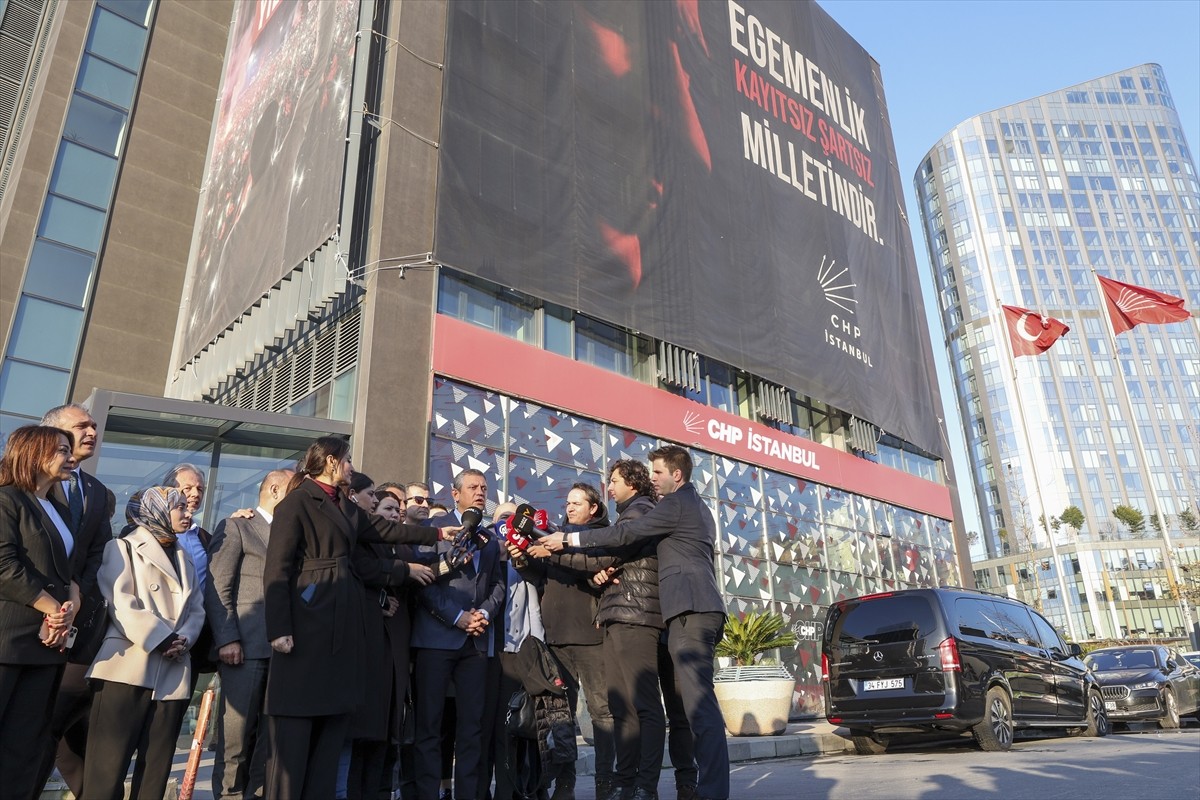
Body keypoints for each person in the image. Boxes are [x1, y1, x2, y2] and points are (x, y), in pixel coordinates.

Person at [262, 437, 450, 800]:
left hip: (341, 627)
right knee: (295, 738)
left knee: (330, 736)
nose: (351, 467)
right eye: (347, 461)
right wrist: (279, 628)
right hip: (307, 623)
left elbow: (388, 530)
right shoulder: (297, 502)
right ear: (331, 462)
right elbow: (277, 570)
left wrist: (438, 532)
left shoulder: (346, 508)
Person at [541, 446, 729, 800]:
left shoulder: (674, 504)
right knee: (690, 708)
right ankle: (696, 787)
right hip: (689, 611)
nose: (652, 480)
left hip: (689, 609)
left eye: (657, 473)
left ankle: (708, 791)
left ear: (677, 474)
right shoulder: (697, 508)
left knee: (697, 708)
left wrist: (567, 538)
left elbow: (625, 535)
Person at [83, 487, 207, 800]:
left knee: (156, 771)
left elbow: (197, 608)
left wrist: (185, 639)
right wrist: (161, 639)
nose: (188, 513)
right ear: (157, 510)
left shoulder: (185, 557)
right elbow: (120, 601)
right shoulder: (122, 547)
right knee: (106, 771)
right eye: (179, 507)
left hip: (172, 670)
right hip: (126, 668)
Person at [0, 425, 92, 800]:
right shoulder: (7, 499)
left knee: (25, 746)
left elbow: (69, 570)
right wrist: (53, 608)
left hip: (47, 645)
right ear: (33, 453)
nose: (70, 457)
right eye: (60, 449)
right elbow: (4, 564)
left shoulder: (58, 508)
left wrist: (71, 604)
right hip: (8, 642)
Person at [33, 404, 116, 797]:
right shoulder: (23, 482)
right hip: (24, 616)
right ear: (54, 435)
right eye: (81, 425)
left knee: (55, 725)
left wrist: (76, 593)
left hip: (75, 622)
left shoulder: (99, 493)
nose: (91, 431)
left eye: (94, 426)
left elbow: (97, 551)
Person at [410, 468, 504, 800]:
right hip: (436, 639)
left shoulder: (490, 538)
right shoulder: (434, 530)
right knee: (430, 728)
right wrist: (457, 617)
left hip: (476, 643)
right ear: (455, 494)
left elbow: (497, 584)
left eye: (484, 487)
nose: (480, 492)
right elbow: (423, 584)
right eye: (473, 487)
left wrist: (484, 613)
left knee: (472, 728)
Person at [517, 484, 615, 800]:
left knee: (601, 713)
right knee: (561, 715)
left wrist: (554, 551)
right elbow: (540, 574)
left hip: (592, 637)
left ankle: (605, 783)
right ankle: (565, 783)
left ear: (594, 508)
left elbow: (591, 569)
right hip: (556, 637)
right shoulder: (556, 537)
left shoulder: (601, 536)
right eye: (567, 502)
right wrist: (524, 559)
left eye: (577, 502)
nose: (569, 507)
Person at [206, 469, 294, 800]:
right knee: (236, 740)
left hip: (284, 652)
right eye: (293, 489)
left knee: (269, 742)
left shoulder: (293, 532)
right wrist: (227, 638)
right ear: (274, 489)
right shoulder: (237, 525)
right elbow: (217, 585)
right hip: (244, 649)